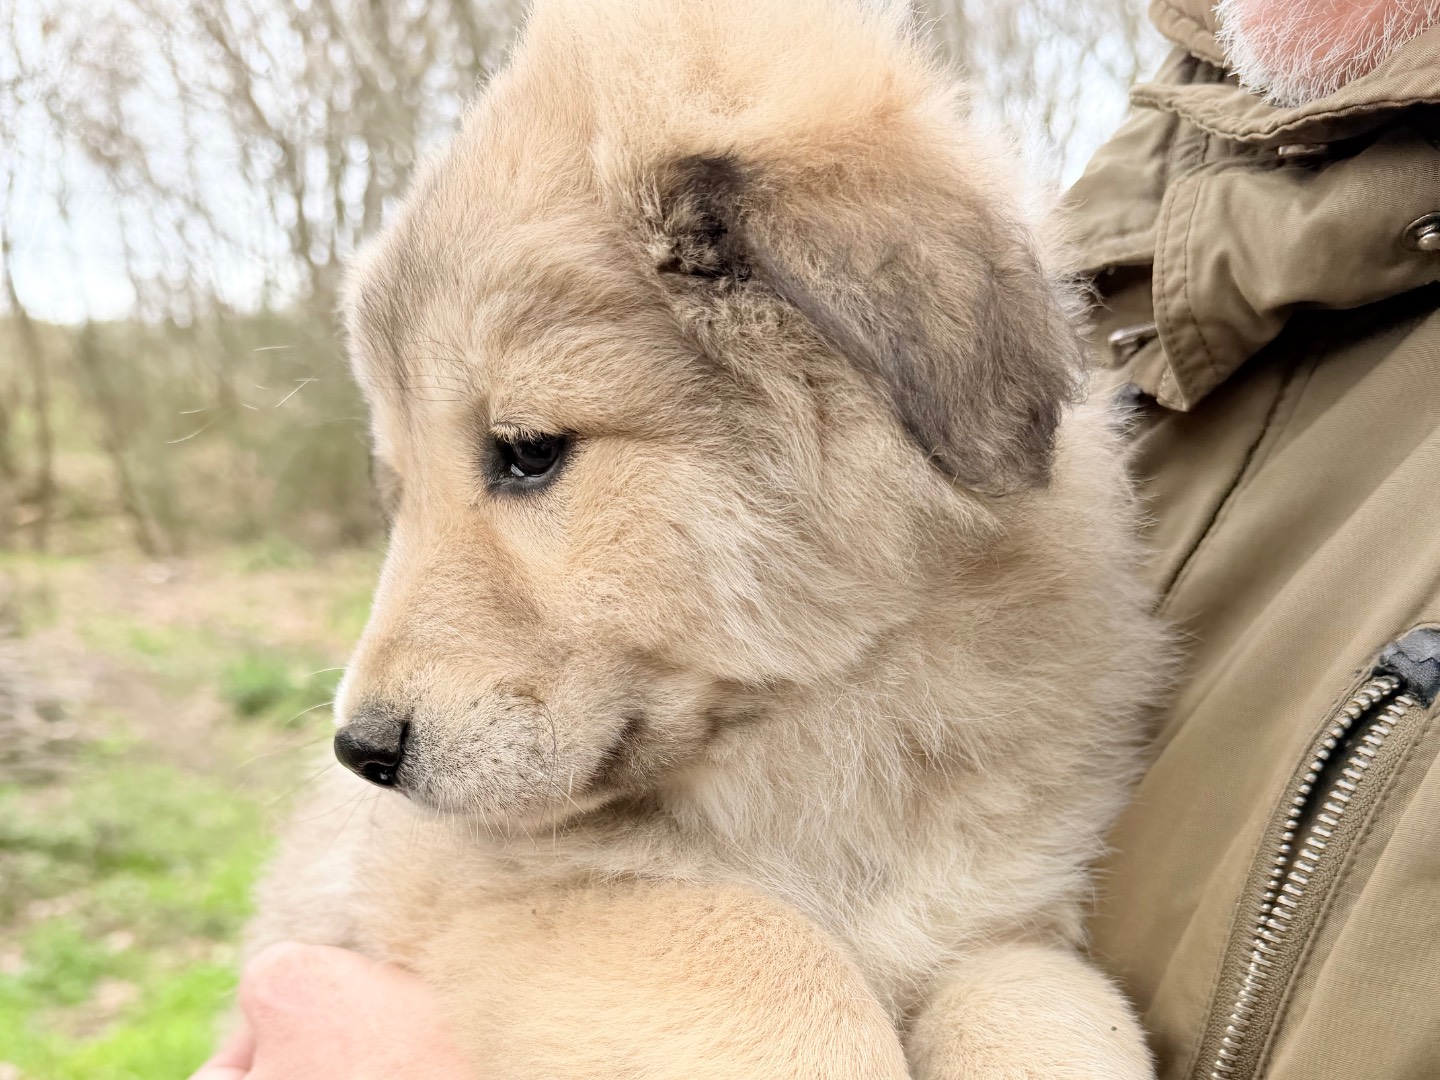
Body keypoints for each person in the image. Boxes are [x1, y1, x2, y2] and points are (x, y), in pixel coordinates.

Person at [191, 0, 1440, 1076]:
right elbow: (473, 914)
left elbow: (989, 946)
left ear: (838, 346)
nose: (375, 695)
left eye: (527, 451)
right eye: (406, 491)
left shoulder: (896, 290)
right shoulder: (1190, 220)